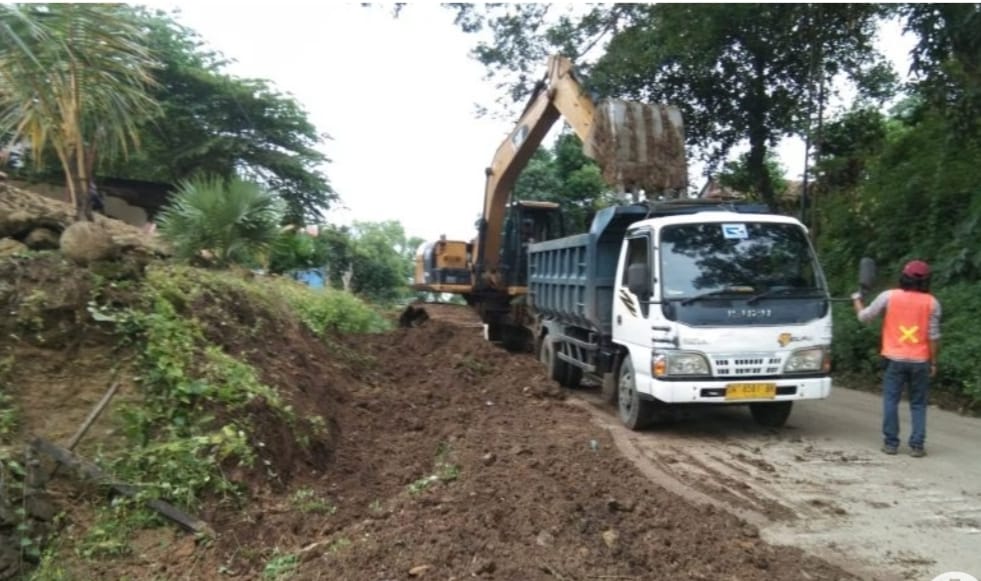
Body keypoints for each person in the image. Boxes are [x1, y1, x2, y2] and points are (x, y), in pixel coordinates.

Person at [852, 260, 941, 457]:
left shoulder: (888, 296)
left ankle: (891, 443)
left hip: (894, 359)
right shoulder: (932, 303)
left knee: (891, 400)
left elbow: (864, 317)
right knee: (918, 404)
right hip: (920, 361)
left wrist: (857, 300)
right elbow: (933, 337)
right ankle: (917, 445)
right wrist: (933, 362)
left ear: (904, 277)